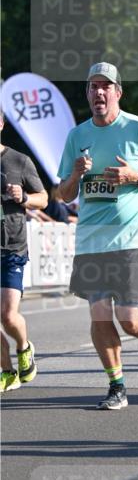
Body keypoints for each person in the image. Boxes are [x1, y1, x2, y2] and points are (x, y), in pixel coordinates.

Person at [57, 63, 138, 410]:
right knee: (99, 317)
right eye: (93, 87)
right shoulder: (77, 136)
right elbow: (62, 195)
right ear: (88, 94)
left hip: (131, 239)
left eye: (106, 86)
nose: (99, 93)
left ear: (118, 92)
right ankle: (116, 385)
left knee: (129, 320)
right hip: (91, 240)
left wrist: (134, 177)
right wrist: (76, 174)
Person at [0, 112, 48, 392]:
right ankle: (7, 371)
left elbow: (44, 198)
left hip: (11, 247)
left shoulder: (19, 160)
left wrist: (25, 197)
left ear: (2, 124)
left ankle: (24, 346)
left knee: (7, 315)